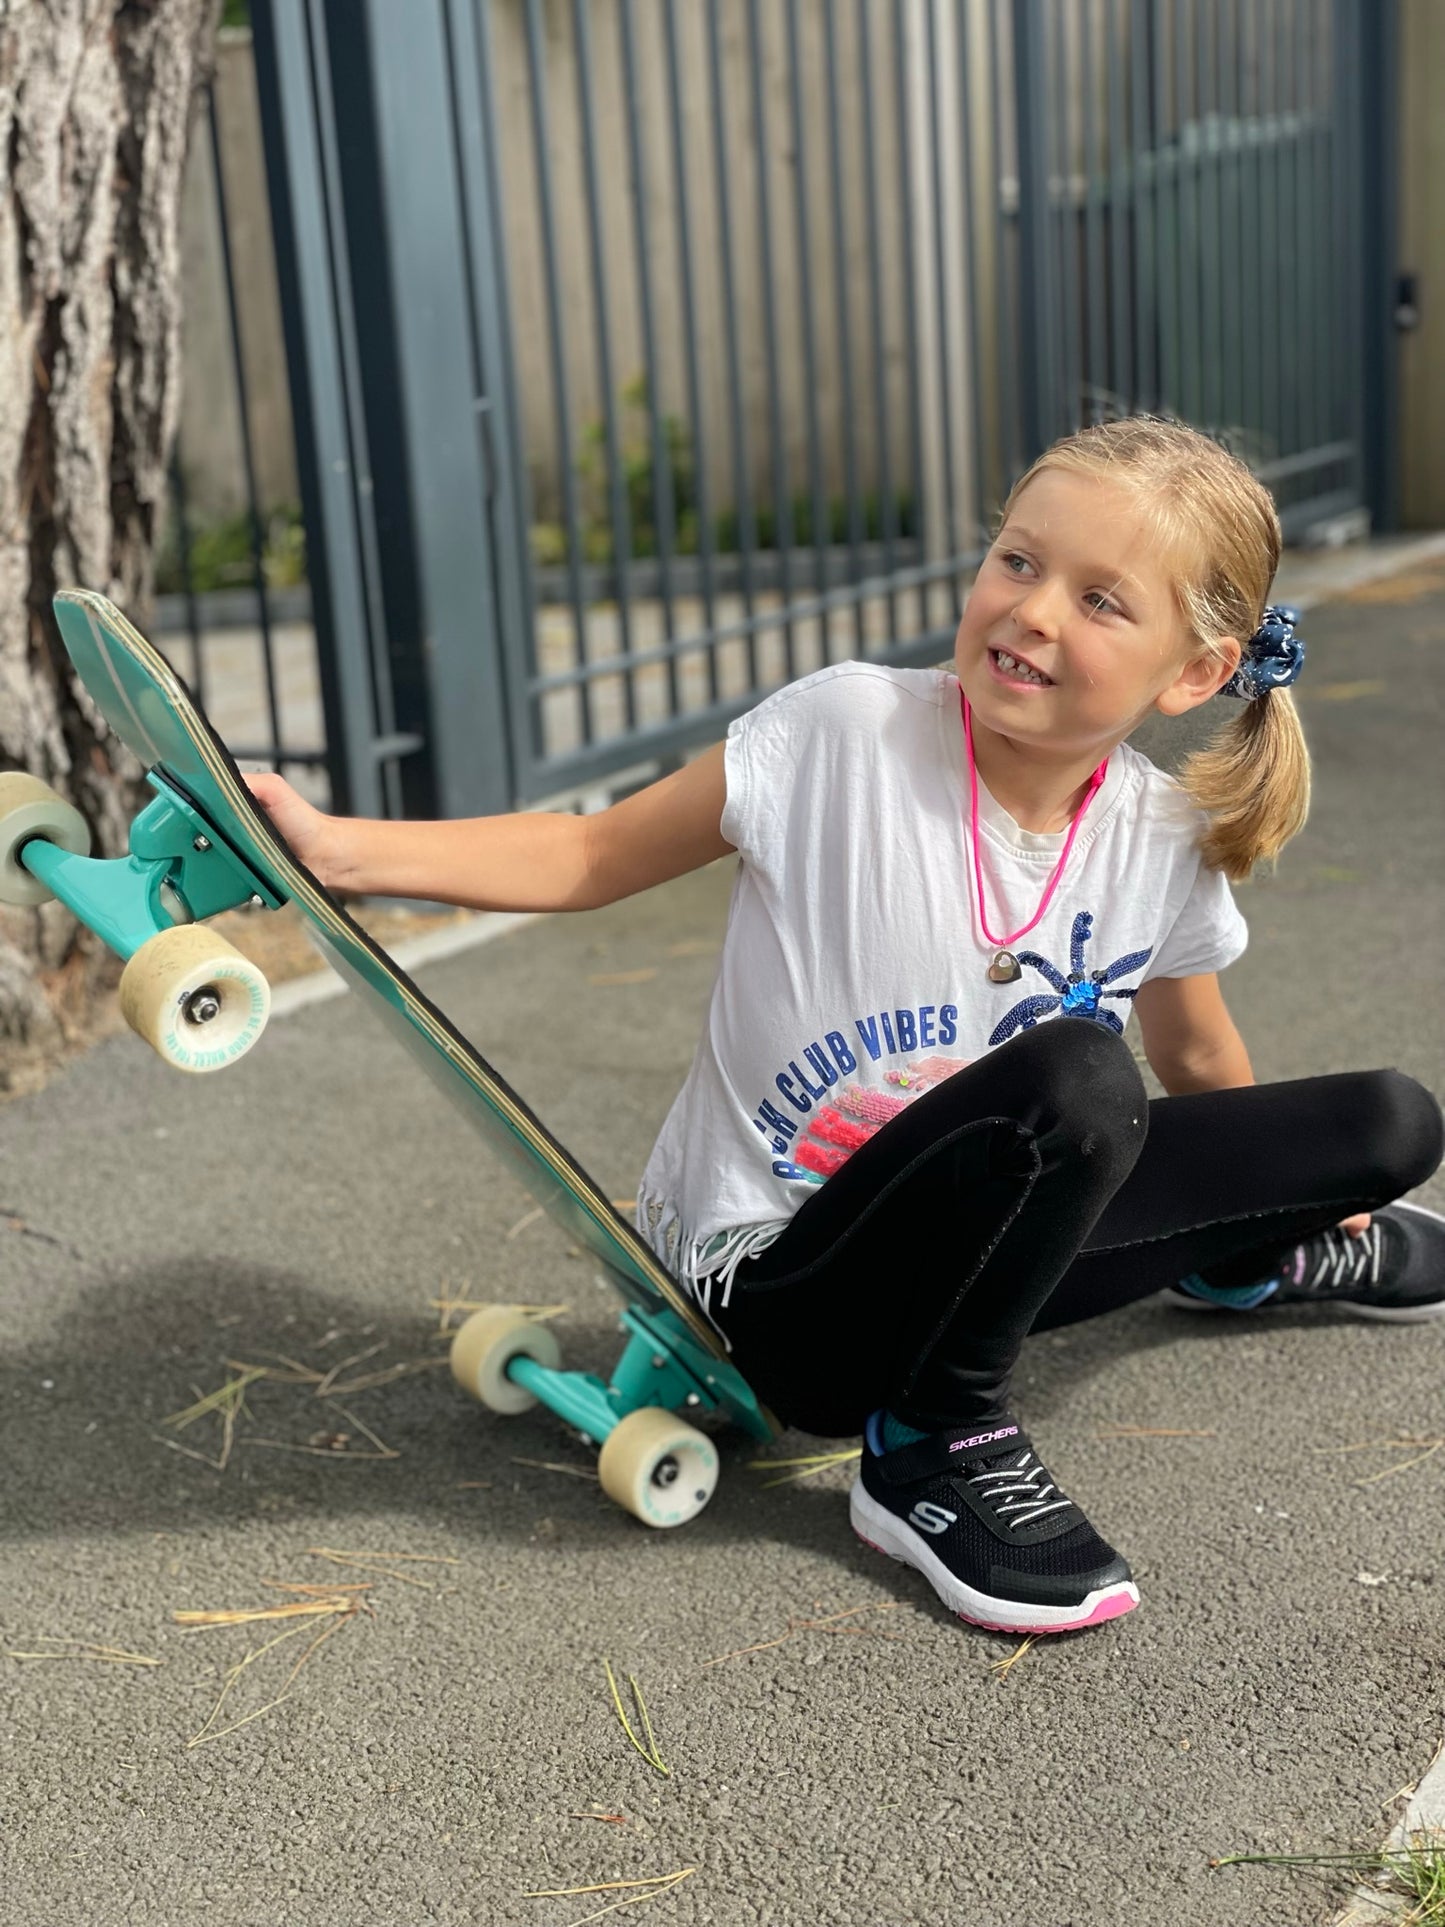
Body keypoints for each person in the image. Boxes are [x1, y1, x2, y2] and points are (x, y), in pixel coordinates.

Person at [244, 416, 1444, 1639]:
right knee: (1082, 1082)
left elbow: (1196, 1060)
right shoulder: (843, 736)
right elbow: (588, 850)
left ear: (1190, 673)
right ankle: (926, 1443)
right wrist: (344, 851)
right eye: (1017, 563)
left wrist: (1281, 1199)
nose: (1031, 611)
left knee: (1387, 1121)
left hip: (983, 1254)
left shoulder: (1161, 837)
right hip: (779, 1295)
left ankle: (1235, 1266)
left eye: (1097, 599)